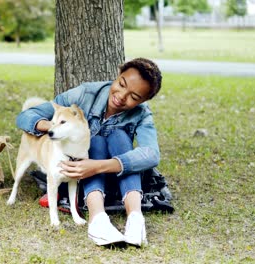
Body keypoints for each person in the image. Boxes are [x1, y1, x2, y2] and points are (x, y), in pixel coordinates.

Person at [16, 57, 162, 247]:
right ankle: (97, 219)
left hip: (118, 178)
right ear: (117, 75)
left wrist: (97, 166)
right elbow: (26, 116)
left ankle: (135, 218)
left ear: (143, 101)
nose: (121, 96)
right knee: (96, 140)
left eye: (134, 97)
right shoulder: (84, 93)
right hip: (81, 177)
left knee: (119, 136)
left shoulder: (142, 114)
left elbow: (151, 154)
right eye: (121, 84)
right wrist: (52, 126)